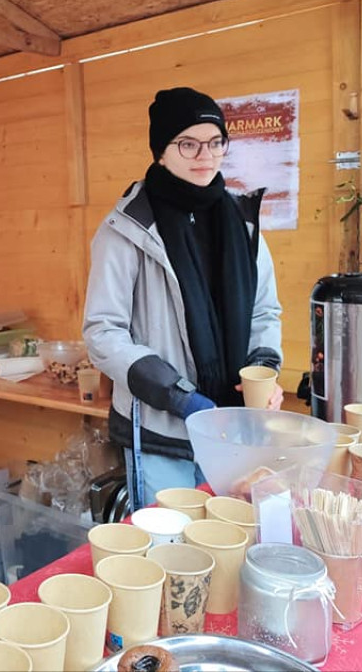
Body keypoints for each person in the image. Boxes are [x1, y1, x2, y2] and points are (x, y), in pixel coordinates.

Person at [82, 87, 283, 507]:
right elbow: (103, 332)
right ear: (161, 151)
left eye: (215, 142)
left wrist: (263, 370)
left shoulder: (242, 223)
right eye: (187, 144)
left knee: (228, 540)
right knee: (170, 550)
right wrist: (180, 397)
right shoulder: (127, 229)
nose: (204, 156)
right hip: (161, 432)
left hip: (232, 428)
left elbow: (265, 311)